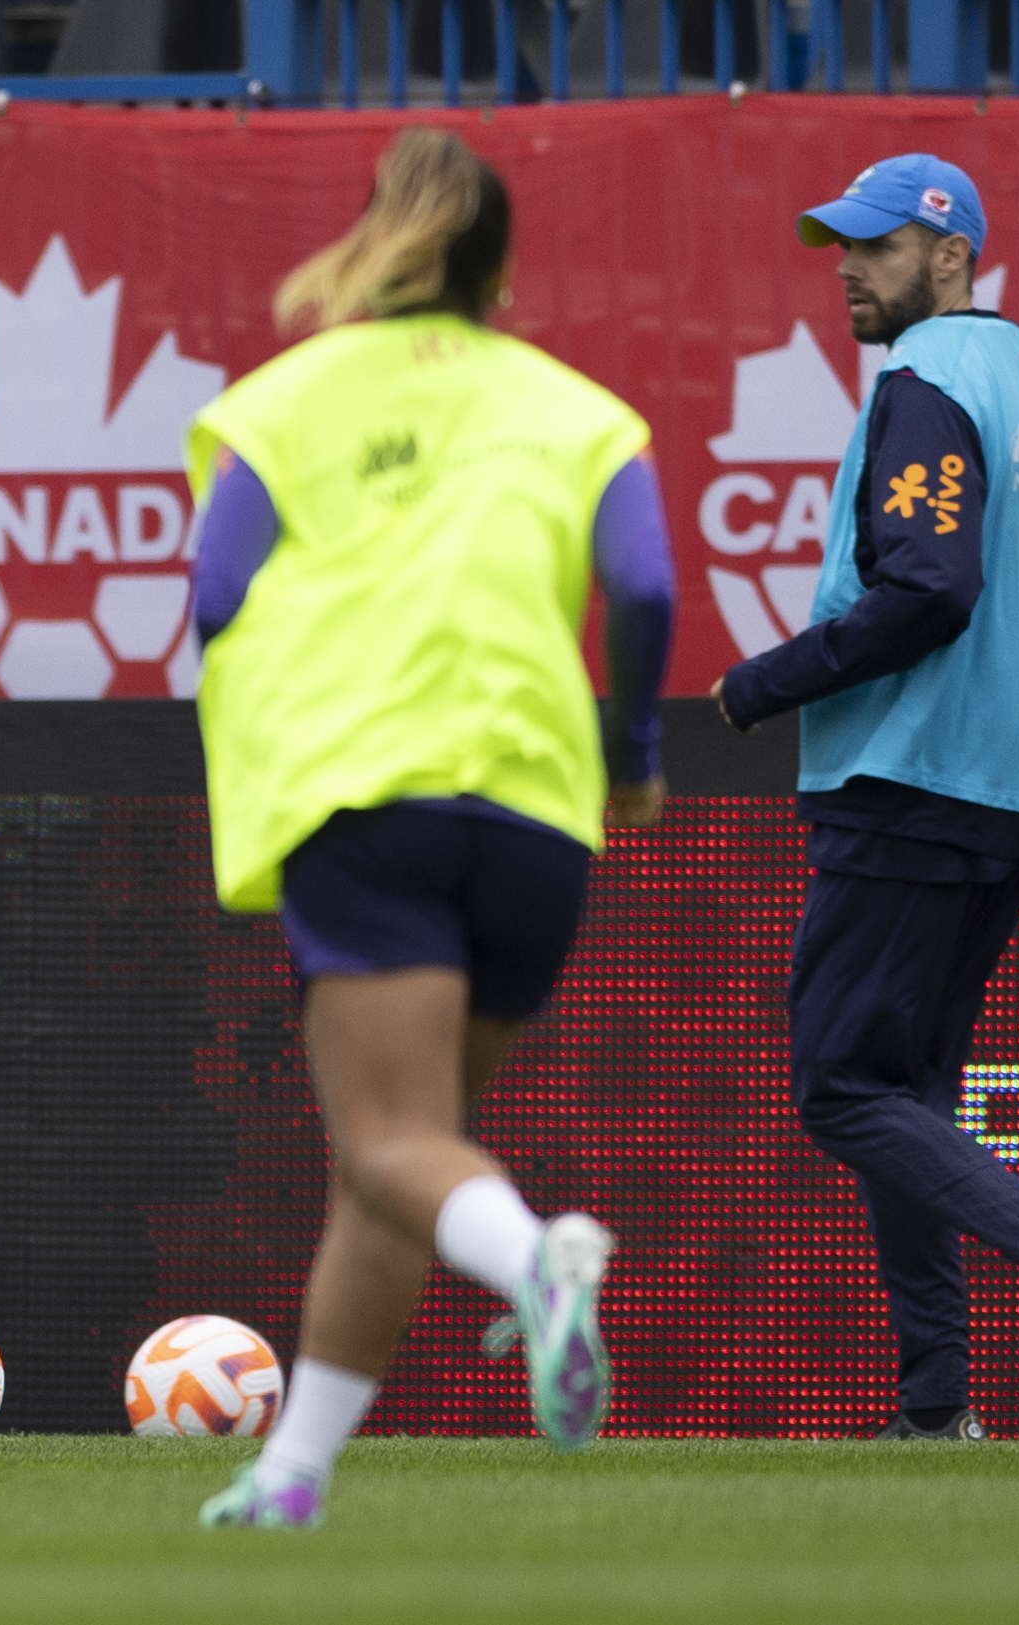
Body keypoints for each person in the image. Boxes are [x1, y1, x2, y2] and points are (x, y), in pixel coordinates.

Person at [186, 128, 677, 1529]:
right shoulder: (577, 409)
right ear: (500, 265)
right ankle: (290, 1477)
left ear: (377, 236)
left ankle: (535, 1261)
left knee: (394, 1139)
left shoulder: (285, 400)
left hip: (368, 789)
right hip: (534, 811)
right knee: (405, 1154)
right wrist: (628, 753)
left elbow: (214, 592)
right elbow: (640, 587)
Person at [711, 155, 1019, 1441]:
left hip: (908, 781)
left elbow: (927, 588)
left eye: (874, 247)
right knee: (901, 1098)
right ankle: (933, 1410)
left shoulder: (927, 380)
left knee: (837, 1086)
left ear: (950, 253)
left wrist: (768, 678)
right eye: (841, 247)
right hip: (1005, 802)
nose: (848, 270)